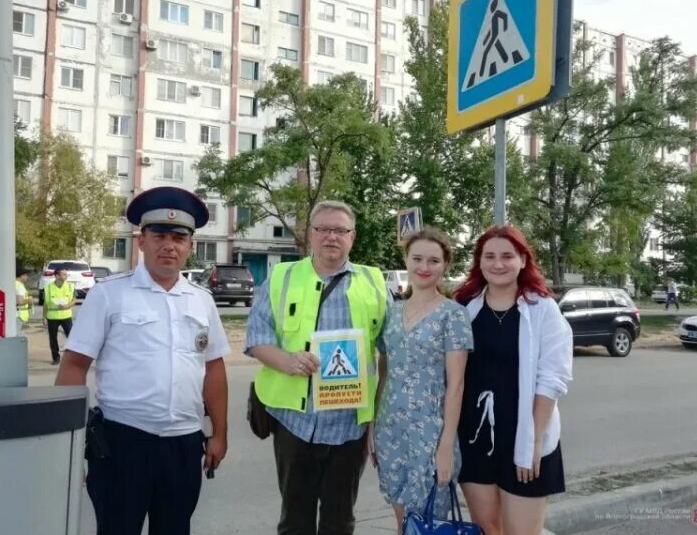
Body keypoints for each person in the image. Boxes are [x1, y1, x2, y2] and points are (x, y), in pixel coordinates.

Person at [55, 186, 230, 535]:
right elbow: (74, 366)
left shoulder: (202, 300)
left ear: (190, 247)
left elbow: (213, 369)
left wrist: (219, 435)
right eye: (160, 236)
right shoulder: (109, 294)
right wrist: (69, 444)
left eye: (179, 238)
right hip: (122, 445)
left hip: (183, 445)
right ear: (141, 241)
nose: (169, 245)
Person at [245, 200, 388, 535]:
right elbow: (256, 339)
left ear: (353, 236)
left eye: (340, 230)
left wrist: (378, 416)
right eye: (323, 228)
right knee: (295, 519)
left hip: (350, 425)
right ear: (310, 233)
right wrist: (288, 361)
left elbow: (388, 353)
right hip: (295, 422)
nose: (331, 237)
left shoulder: (374, 282)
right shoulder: (282, 277)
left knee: (340, 520)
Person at [453, 225, 573, 535]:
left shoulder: (543, 309)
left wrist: (532, 442)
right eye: (489, 256)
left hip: (526, 435)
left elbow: (552, 379)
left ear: (522, 260)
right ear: (479, 262)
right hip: (474, 437)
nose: (498, 263)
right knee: (488, 528)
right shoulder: (466, 307)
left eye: (507, 256)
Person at [369, 228, 473, 534]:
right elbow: (385, 369)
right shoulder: (392, 311)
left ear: (445, 265)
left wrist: (445, 445)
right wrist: (373, 423)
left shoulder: (452, 315)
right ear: (406, 259)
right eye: (417, 259)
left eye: (433, 260)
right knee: (404, 520)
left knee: (430, 518)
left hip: (431, 433)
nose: (424, 267)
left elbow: (456, 385)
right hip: (390, 430)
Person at [42, 268, 75, 365]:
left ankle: (72, 357)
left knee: (71, 337)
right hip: (52, 317)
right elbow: (45, 304)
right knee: (53, 338)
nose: (66, 276)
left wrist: (67, 306)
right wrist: (44, 317)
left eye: (66, 274)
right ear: (57, 276)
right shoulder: (48, 288)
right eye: (64, 274)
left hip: (66, 316)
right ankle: (56, 358)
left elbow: (74, 299)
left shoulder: (70, 286)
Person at [15, 267, 34, 332]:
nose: (27, 277)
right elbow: (20, 301)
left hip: (14, 314)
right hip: (18, 315)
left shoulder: (13, 284)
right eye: (25, 275)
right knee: (16, 335)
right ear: (21, 275)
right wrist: (29, 300)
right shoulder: (20, 286)